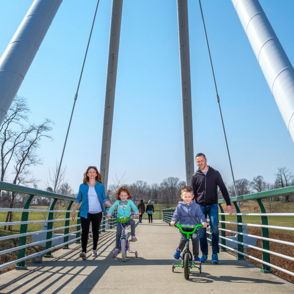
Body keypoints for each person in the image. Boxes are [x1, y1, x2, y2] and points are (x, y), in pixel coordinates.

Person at [191, 153, 232, 264]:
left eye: (201, 161)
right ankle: (204, 254)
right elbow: (193, 194)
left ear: (206, 160)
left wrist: (228, 204)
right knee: (201, 231)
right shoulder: (195, 176)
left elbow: (223, 188)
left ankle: (214, 253)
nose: (200, 163)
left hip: (213, 205)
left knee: (214, 228)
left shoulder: (215, 173)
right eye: (198, 161)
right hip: (200, 206)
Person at [72, 166, 111, 260]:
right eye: (90, 172)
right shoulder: (82, 186)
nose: (92, 174)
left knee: (95, 232)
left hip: (97, 212)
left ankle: (94, 249)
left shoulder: (101, 186)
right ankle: (83, 251)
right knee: (84, 232)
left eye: (94, 172)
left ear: (96, 174)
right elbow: (78, 199)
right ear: (87, 174)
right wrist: (73, 211)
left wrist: (111, 205)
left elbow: (104, 198)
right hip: (85, 212)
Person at [170, 186, 207, 262]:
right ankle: (178, 251)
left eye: (189, 197)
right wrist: (173, 221)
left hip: (193, 228)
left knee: (195, 239)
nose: (187, 198)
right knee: (184, 238)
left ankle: (196, 256)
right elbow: (176, 215)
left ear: (192, 197)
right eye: (185, 196)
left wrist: (203, 222)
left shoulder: (196, 206)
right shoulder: (179, 206)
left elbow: (200, 215)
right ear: (182, 197)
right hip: (183, 227)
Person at [107, 187, 139, 256]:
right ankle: (117, 248)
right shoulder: (117, 202)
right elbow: (112, 207)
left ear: (128, 196)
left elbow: (134, 207)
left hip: (127, 219)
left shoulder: (129, 202)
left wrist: (136, 212)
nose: (123, 197)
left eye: (125, 195)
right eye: (121, 195)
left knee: (133, 222)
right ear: (119, 196)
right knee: (118, 233)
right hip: (120, 220)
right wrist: (109, 213)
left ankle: (133, 236)